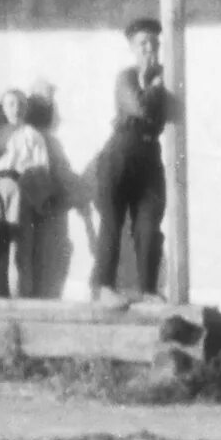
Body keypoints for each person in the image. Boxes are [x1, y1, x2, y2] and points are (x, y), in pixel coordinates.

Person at [92, 17, 170, 300]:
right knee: (112, 222)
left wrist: (159, 84)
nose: (149, 49)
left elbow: (173, 111)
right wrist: (154, 85)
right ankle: (104, 288)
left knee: (149, 224)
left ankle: (149, 290)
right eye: (143, 44)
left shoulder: (167, 76)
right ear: (132, 48)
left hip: (150, 153)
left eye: (154, 43)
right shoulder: (126, 76)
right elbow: (140, 106)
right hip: (120, 152)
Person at [0, 82, 67, 299]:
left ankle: (18, 295)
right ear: (3, 108)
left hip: (20, 189)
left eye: (19, 104)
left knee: (18, 246)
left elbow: (42, 168)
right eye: (10, 104)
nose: (15, 109)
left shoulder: (32, 134)